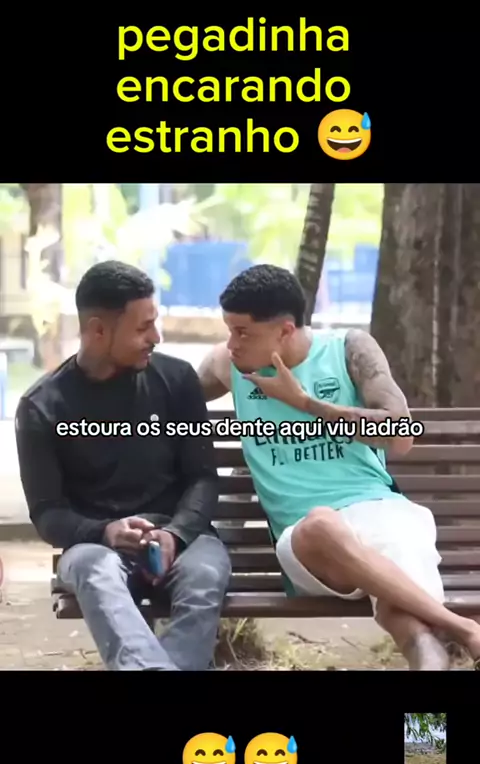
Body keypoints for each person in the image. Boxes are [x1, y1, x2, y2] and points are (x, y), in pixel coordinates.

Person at [198, 263, 480, 671]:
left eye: (243, 332)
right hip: (308, 544)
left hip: (382, 513)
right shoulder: (229, 365)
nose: (232, 344)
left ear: (285, 331)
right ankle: (464, 627)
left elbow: (401, 435)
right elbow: (166, 391)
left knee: (415, 629)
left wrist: (306, 404)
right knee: (321, 524)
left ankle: (431, 699)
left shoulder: (348, 349)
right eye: (229, 331)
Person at [15, 260, 231, 671]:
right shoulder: (42, 407)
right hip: (95, 546)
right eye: (142, 327)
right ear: (98, 330)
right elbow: (47, 513)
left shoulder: (176, 380)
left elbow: (202, 478)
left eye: (155, 323)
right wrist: (105, 532)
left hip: (184, 537)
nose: (156, 337)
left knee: (204, 576)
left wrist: (176, 533)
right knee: (94, 573)